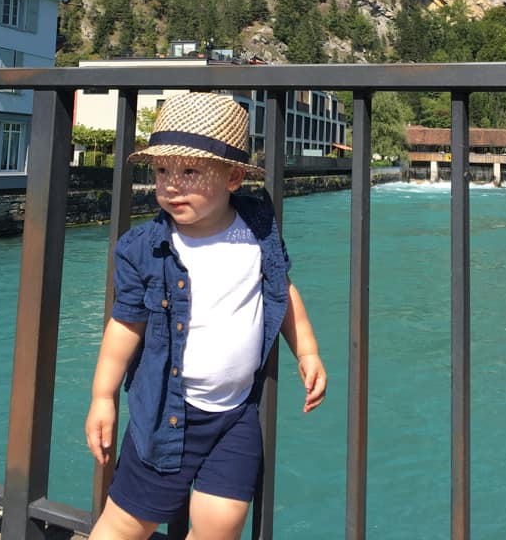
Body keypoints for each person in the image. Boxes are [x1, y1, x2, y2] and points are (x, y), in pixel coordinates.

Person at [85, 92, 327, 540]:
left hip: (235, 414)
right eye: (161, 171)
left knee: (223, 524)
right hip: (168, 416)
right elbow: (125, 325)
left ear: (234, 177)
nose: (170, 185)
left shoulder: (257, 227)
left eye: (190, 171)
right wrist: (104, 396)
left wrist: (306, 350)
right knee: (126, 523)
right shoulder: (146, 248)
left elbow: (281, 288)